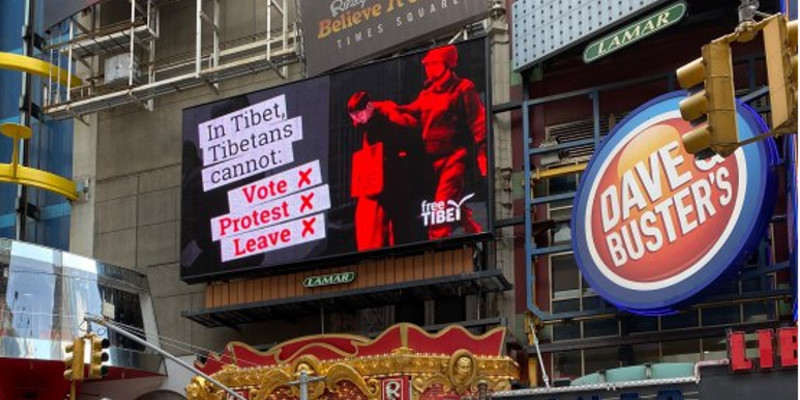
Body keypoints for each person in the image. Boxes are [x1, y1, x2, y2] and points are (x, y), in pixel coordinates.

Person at [397, 44, 487, 239]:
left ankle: (438, 245)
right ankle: (472, 228)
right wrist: (385, 110)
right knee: (448, 202)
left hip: (454, 157)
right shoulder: (427, 92)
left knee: (440, 209)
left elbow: (478, 121)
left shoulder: (464, 88)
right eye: (427, 64)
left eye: (433, 63)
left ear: (447, 64)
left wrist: (483, 153)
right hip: (430, 159)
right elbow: (411, 111)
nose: (429, 68)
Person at [348, 91, 427, 250]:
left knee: (396, 225)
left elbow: (413, 128)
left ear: (370, 106)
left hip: (395, 175)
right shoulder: (363, 120)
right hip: (376, 176)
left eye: (360, 116)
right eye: (354, 118)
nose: (358, 121)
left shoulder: (390, 113)